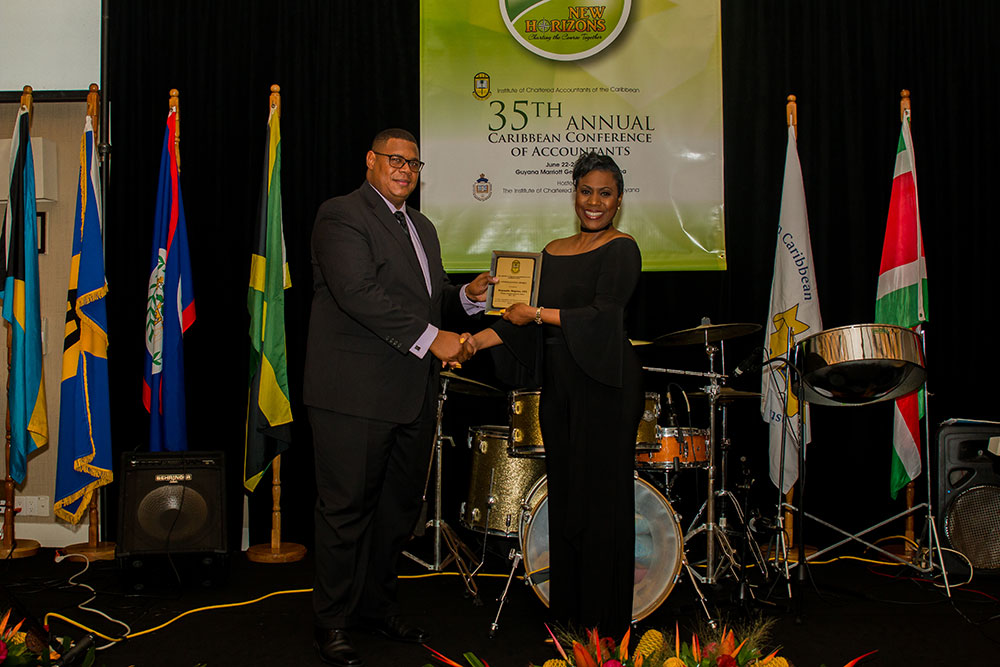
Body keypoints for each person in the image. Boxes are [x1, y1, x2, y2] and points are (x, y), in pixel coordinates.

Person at [303, 128, 493, 667]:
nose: (405, 169)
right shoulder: (341, 215)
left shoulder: (422, 227)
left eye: (413, 162)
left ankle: (375, 609)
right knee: (345, 512)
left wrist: (467, 296)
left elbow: (428, 301)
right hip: (353, 395)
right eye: (395, 159)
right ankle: (331, 621)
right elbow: (360, 295)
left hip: (411, 396)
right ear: (371, 160)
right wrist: (436, 340)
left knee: (396, 515)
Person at [465, 152, 643, 636]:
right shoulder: (551, 251)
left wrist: (537, 313)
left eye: (605, 193)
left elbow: (603, 317)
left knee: (601, 503)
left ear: (619, 200)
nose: (594, 202)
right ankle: (568, 621)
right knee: (566, 500)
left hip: (606, 385)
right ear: (574, 194)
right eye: (586, 191)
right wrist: (472, 343)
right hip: (561, 387)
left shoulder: (623, 249)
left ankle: (604, 628)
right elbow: (519, 321)